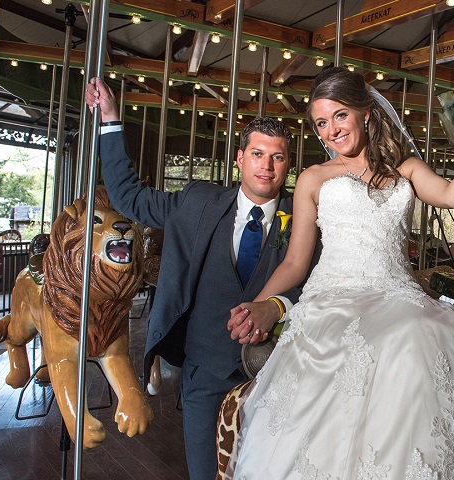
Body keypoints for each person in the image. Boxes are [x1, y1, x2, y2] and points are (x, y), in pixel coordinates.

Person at [226, 67, 454, 479]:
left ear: (365, 112)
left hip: (397, 294)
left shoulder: (405, 169)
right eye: (321, 123)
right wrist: (259, 304)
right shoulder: (314, 179)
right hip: (335, 296)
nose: (330, 130)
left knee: (420, 331)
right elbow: (296, 263)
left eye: (339, 116)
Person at [85, 77, 312, 480]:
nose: (267, 165)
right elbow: (129, 197)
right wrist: (110, 120)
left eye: (277, 157)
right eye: (258, 154)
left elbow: (316, 281)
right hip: (204, 370)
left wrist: (277, 304)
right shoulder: (196, 201)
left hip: (279, 372)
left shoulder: (306, 219)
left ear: (287, 165)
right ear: (240, 159)